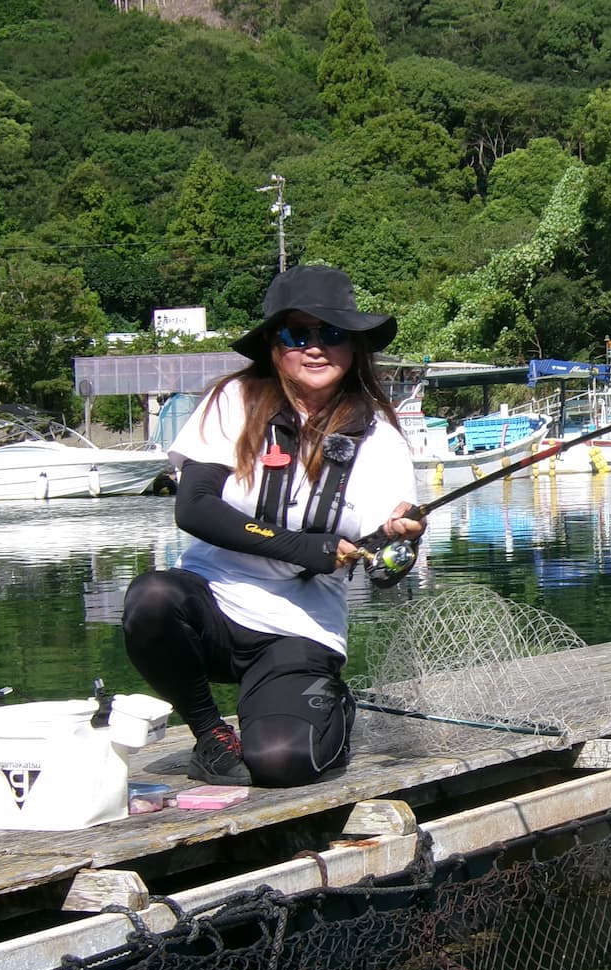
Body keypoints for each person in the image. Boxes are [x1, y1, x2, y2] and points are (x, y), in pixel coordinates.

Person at [121, 265, 424, 787]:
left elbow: (385, 572)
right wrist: (304, 549)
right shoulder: (233, 402)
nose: (314, 347)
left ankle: (328, 706)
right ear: (272, 344)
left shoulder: (380, 439)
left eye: (331, 333)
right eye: (296, 334)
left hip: (299, 627)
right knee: (150, 598)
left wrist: (397, 547)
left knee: (282, 762)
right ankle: (209, 733)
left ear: (353, 345)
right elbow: (193, 507)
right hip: (211, 603)